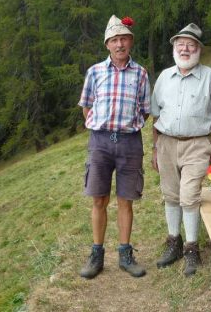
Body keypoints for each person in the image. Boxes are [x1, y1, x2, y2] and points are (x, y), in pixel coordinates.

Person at [150, 23, 211, 276]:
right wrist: (155, 148)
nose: (185, 49)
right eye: (180, 45)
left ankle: (191, 249)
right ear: (174, 48)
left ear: (198, 49)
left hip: (198, 145)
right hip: (165, 143)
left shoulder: (210, 77)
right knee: (170, 194)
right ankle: (173, 242)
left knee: (189, 196)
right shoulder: (164, 77)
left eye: (190, 45)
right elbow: (155, 115)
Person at [78, 15, 150, 279]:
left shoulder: (141, 73)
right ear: (107, 44)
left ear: (130, 42)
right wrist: (103, 126)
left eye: (124, 39)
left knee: (125, 201)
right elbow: (86, 106)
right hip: (100, 142)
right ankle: (96, 255)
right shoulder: (95, 72)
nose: (120, 44)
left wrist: (127, 127)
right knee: (98, 199)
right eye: (114, 40)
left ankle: (125, 255)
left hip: (130, 142)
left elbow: (145, 110)